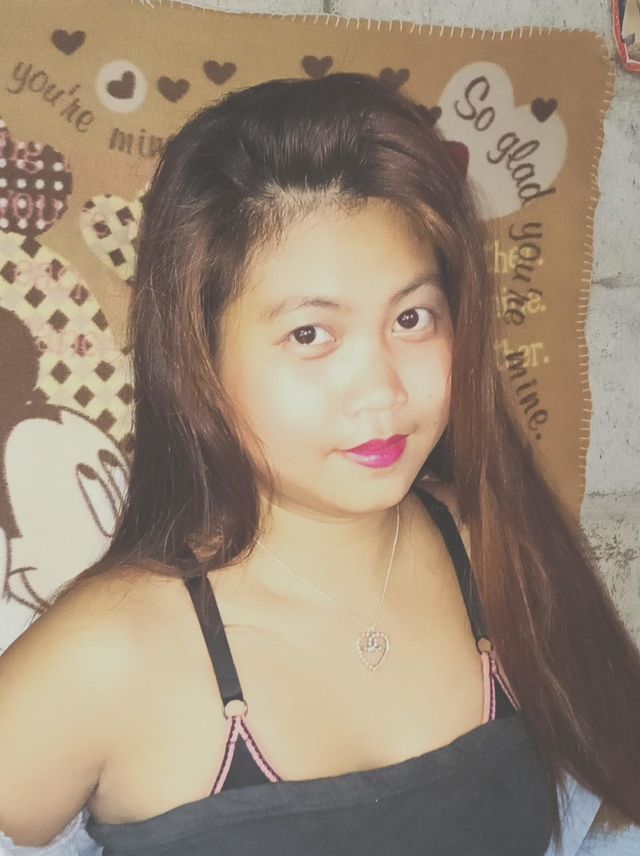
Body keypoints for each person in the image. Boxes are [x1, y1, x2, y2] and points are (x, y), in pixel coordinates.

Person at [0, 72, 639, 855]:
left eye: (412, 318)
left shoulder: (495, 549)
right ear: (199, 356)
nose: (381, 392)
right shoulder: (104, 655)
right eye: (311, 334)